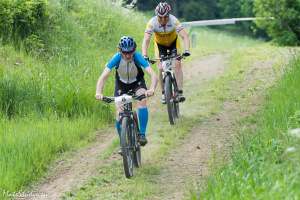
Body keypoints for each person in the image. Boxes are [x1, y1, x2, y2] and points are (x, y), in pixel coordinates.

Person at [95, 36, 158, 146]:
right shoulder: (116, 58)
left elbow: (153, 75)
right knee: (119, 113)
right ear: (120, 51)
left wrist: (152, 88)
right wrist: (98, 92)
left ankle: (142, 134)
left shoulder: (137, 57)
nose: (128, 55)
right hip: (121, 86)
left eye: (130, 52)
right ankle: (123, 143)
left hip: (137, 83)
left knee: (142, 101)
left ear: (134, 50)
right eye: (125, 52)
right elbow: (103, 76)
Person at [142, 2, 191, 103]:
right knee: (160, 68)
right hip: (160, 46)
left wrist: (186, 50)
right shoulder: (152, 23)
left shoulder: (174, 21)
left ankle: (180, 92)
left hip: (174, 43)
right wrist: (144, 55)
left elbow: (185, 36)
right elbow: (146, 40)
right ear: (157, 15)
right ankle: (164, 93)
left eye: (166, 17)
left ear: (169, 15)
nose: (163, 20)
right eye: (160, 17)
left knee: (177, 65)